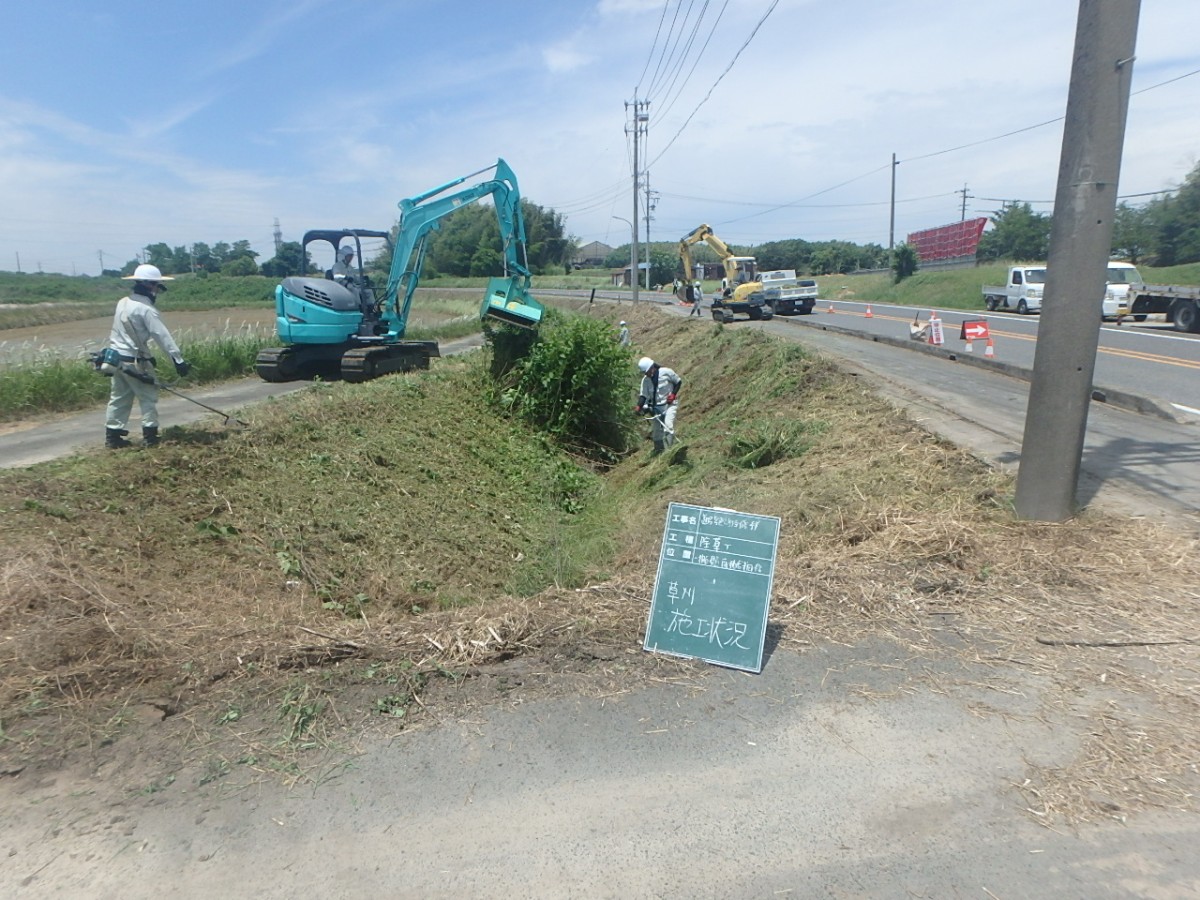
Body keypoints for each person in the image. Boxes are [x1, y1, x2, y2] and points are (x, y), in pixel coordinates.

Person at [104, 264, 190, 448]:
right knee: (148, 397)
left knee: (119, 398)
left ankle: (113, 438)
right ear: (151, 286)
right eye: (157, 286)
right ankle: (150, 437)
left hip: (116, 359)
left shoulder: (123, 302)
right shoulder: (147, 310)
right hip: (135, 362)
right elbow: (162, 336)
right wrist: (178, 360)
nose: (158, 291)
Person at [635, 356, 682, 454]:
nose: (646, 374)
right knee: (656, 434)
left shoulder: (666, 372)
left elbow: (678, 382)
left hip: (669, 405)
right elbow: (643, 396)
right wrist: (639, 406)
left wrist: (673, 394)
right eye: (644, 373)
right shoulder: (646, 381)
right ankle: (659, 452)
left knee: (668, 427)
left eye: (647, 372)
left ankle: (671, 451)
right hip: (656, 409)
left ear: (652, 367)